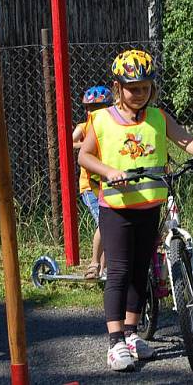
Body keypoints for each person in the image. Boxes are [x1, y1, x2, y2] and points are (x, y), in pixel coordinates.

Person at [78, 49, 193, 372]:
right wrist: (107, 172)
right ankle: (115, 341)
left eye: (145, 87)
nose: (140, 94)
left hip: (150, 206)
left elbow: (185, 140)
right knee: (118, 271)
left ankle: (131, 334)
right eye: (133, 88)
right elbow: (84, 157)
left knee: (140, 269)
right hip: (117, 208)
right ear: (118, 88)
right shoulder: (102, 120)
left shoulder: (158, 117)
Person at [71, 85, 113, 281]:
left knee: (108, 224)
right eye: (89, 108)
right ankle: (94, 264)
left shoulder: (111, 126)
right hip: (90, 187)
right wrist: (88, 144)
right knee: (104, 223)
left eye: (98, 108)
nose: (92, 112)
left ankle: (104, 269)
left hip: (108, 184)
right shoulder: (84, 127)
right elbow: (69, 142)